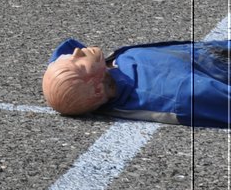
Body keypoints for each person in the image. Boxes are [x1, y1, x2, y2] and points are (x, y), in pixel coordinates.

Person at [41, 38, 231, 127]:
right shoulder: (174, 94)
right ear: (98, 90)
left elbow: (67, 56)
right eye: (78, 65)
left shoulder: (108, 72)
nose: (76, 52)